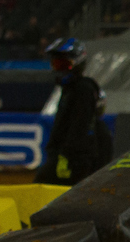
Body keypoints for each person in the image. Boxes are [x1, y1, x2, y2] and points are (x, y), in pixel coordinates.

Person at [41, 37, 112, 184]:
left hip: (74, 159)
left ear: (76, 63)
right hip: (68, 155)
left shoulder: (83, 89)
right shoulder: (69, 89)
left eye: (62, 64)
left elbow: (80, 125)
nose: (58, 69)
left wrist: (65, 155)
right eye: (56, 64)